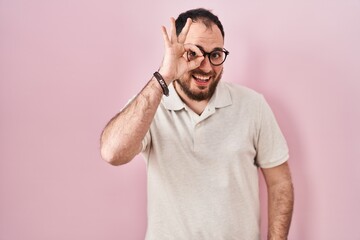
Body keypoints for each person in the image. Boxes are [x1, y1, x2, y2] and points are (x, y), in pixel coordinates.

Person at [100, 8, 294, 240]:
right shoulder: (150, 106)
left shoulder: (253, 106)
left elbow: (280, 182)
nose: (206, 67)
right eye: (193, 53)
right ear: (177, 53)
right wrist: (164, 75)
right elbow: (112, 153)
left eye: (215, 54)